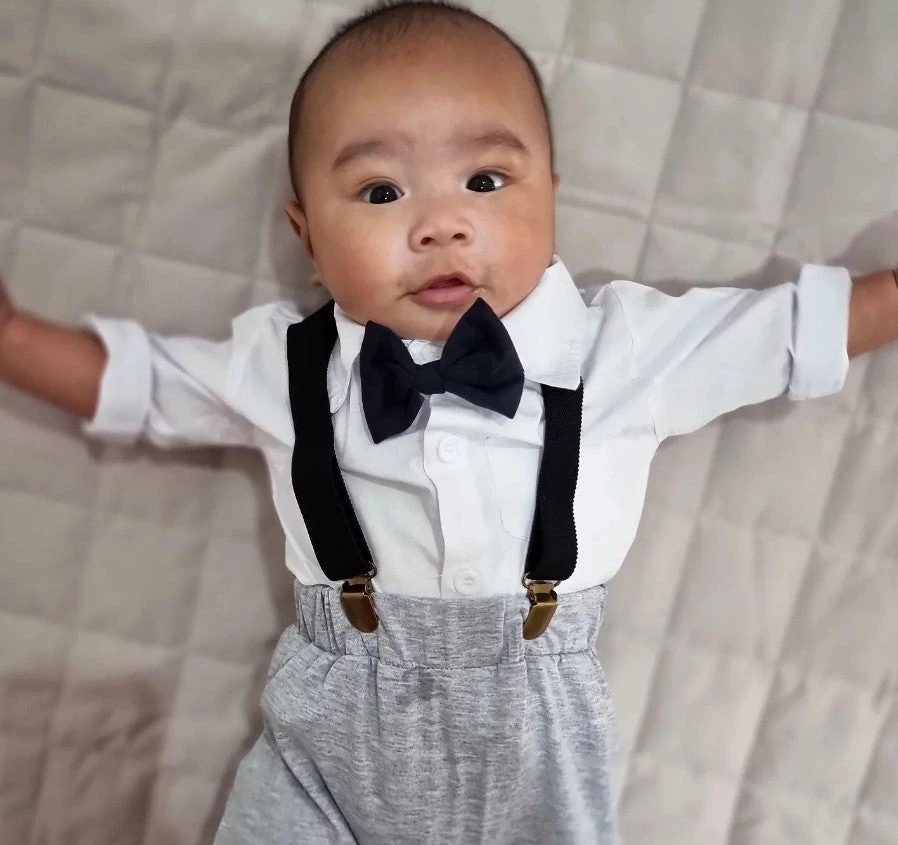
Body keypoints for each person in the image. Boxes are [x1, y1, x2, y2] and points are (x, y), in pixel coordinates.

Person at [2, 1, 898, 842]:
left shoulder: (619, 348)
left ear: (550, 199)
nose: (441, 224)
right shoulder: (287, 364)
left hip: (536, 742)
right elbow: (147, 386)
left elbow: (786, 334)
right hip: (329, 738)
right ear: (309, 239)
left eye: (485, 180)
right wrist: (14, 338)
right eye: (380, 192)